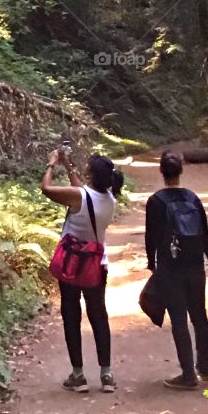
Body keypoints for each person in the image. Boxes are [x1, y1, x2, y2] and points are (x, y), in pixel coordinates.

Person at [42, 147, 124, 393]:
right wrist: (69, 166)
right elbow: (84, 193)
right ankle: (106, 374)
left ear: (92, 175)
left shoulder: (79, 196)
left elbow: (46, 189)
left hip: (72, 264)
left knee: (71, 315)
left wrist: (51, 164)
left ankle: (78, 374)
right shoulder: (109, 199)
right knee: (99, 316)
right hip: (97, 265)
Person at [145, 150, 208, 390]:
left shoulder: (156, 201)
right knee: (199, 316)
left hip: (170, 265)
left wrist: (152, 263)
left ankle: (188, 375)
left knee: (179, 318)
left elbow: (151, 237)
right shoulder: (192, 198)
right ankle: (204, 368)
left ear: (161, 172)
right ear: (181, 171)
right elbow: (205, 234)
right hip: (195, 264)